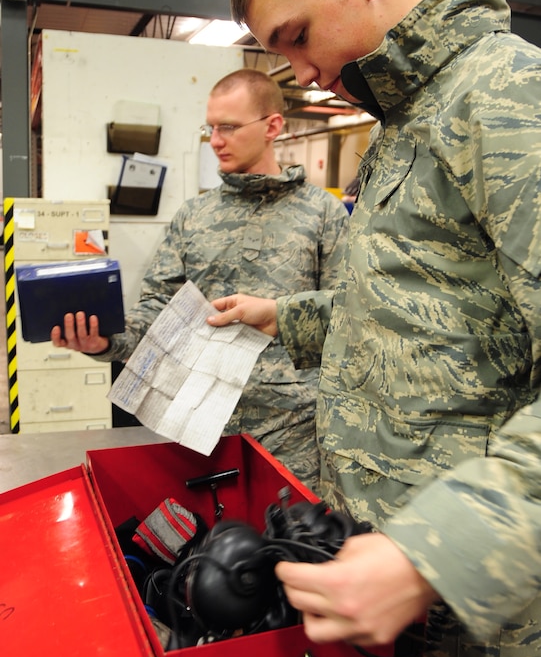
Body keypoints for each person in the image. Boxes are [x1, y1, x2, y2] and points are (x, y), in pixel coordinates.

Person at [206, 0, 541, 657]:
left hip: (481, 638)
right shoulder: (403, 120)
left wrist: (433, 555)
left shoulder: (504, 98)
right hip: (391, 611)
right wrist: (283, 315)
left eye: (295, 37)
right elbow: (421, 316)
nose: (304, 71)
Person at [51, 68, 349, 493]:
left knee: (291, 548)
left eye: (228, 126)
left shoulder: (322, 214)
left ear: (272, 126)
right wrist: (105, 343)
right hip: (198, 428)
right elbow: (155, 311)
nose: (215, 140)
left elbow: (347, 318)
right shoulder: (194, 216)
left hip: (295, 434)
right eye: (210, 127)